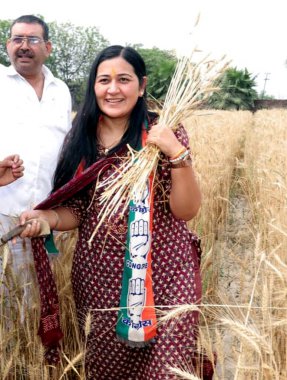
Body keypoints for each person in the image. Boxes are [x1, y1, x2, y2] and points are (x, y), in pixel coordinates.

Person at [20, 45, 210, 379]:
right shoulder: (81, 138)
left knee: (169, 370)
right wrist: (48, 219)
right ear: (93, 86)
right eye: (103, 79)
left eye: (124, 79)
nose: (112, 88)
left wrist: (176, 152)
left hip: (166, 273)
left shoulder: (162, 131)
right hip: (100, 281)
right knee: (110, 371)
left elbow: (186, 210)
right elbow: (79, 210)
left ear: (141, 85)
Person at [0, 15, 72, 278]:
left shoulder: (60, 91)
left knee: (43, 301)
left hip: (47, 218)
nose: (24, 46)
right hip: (4, 217)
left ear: (48, 48)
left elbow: (67, 149)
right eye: (17, 39)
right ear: (8, 45)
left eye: (32, 39)